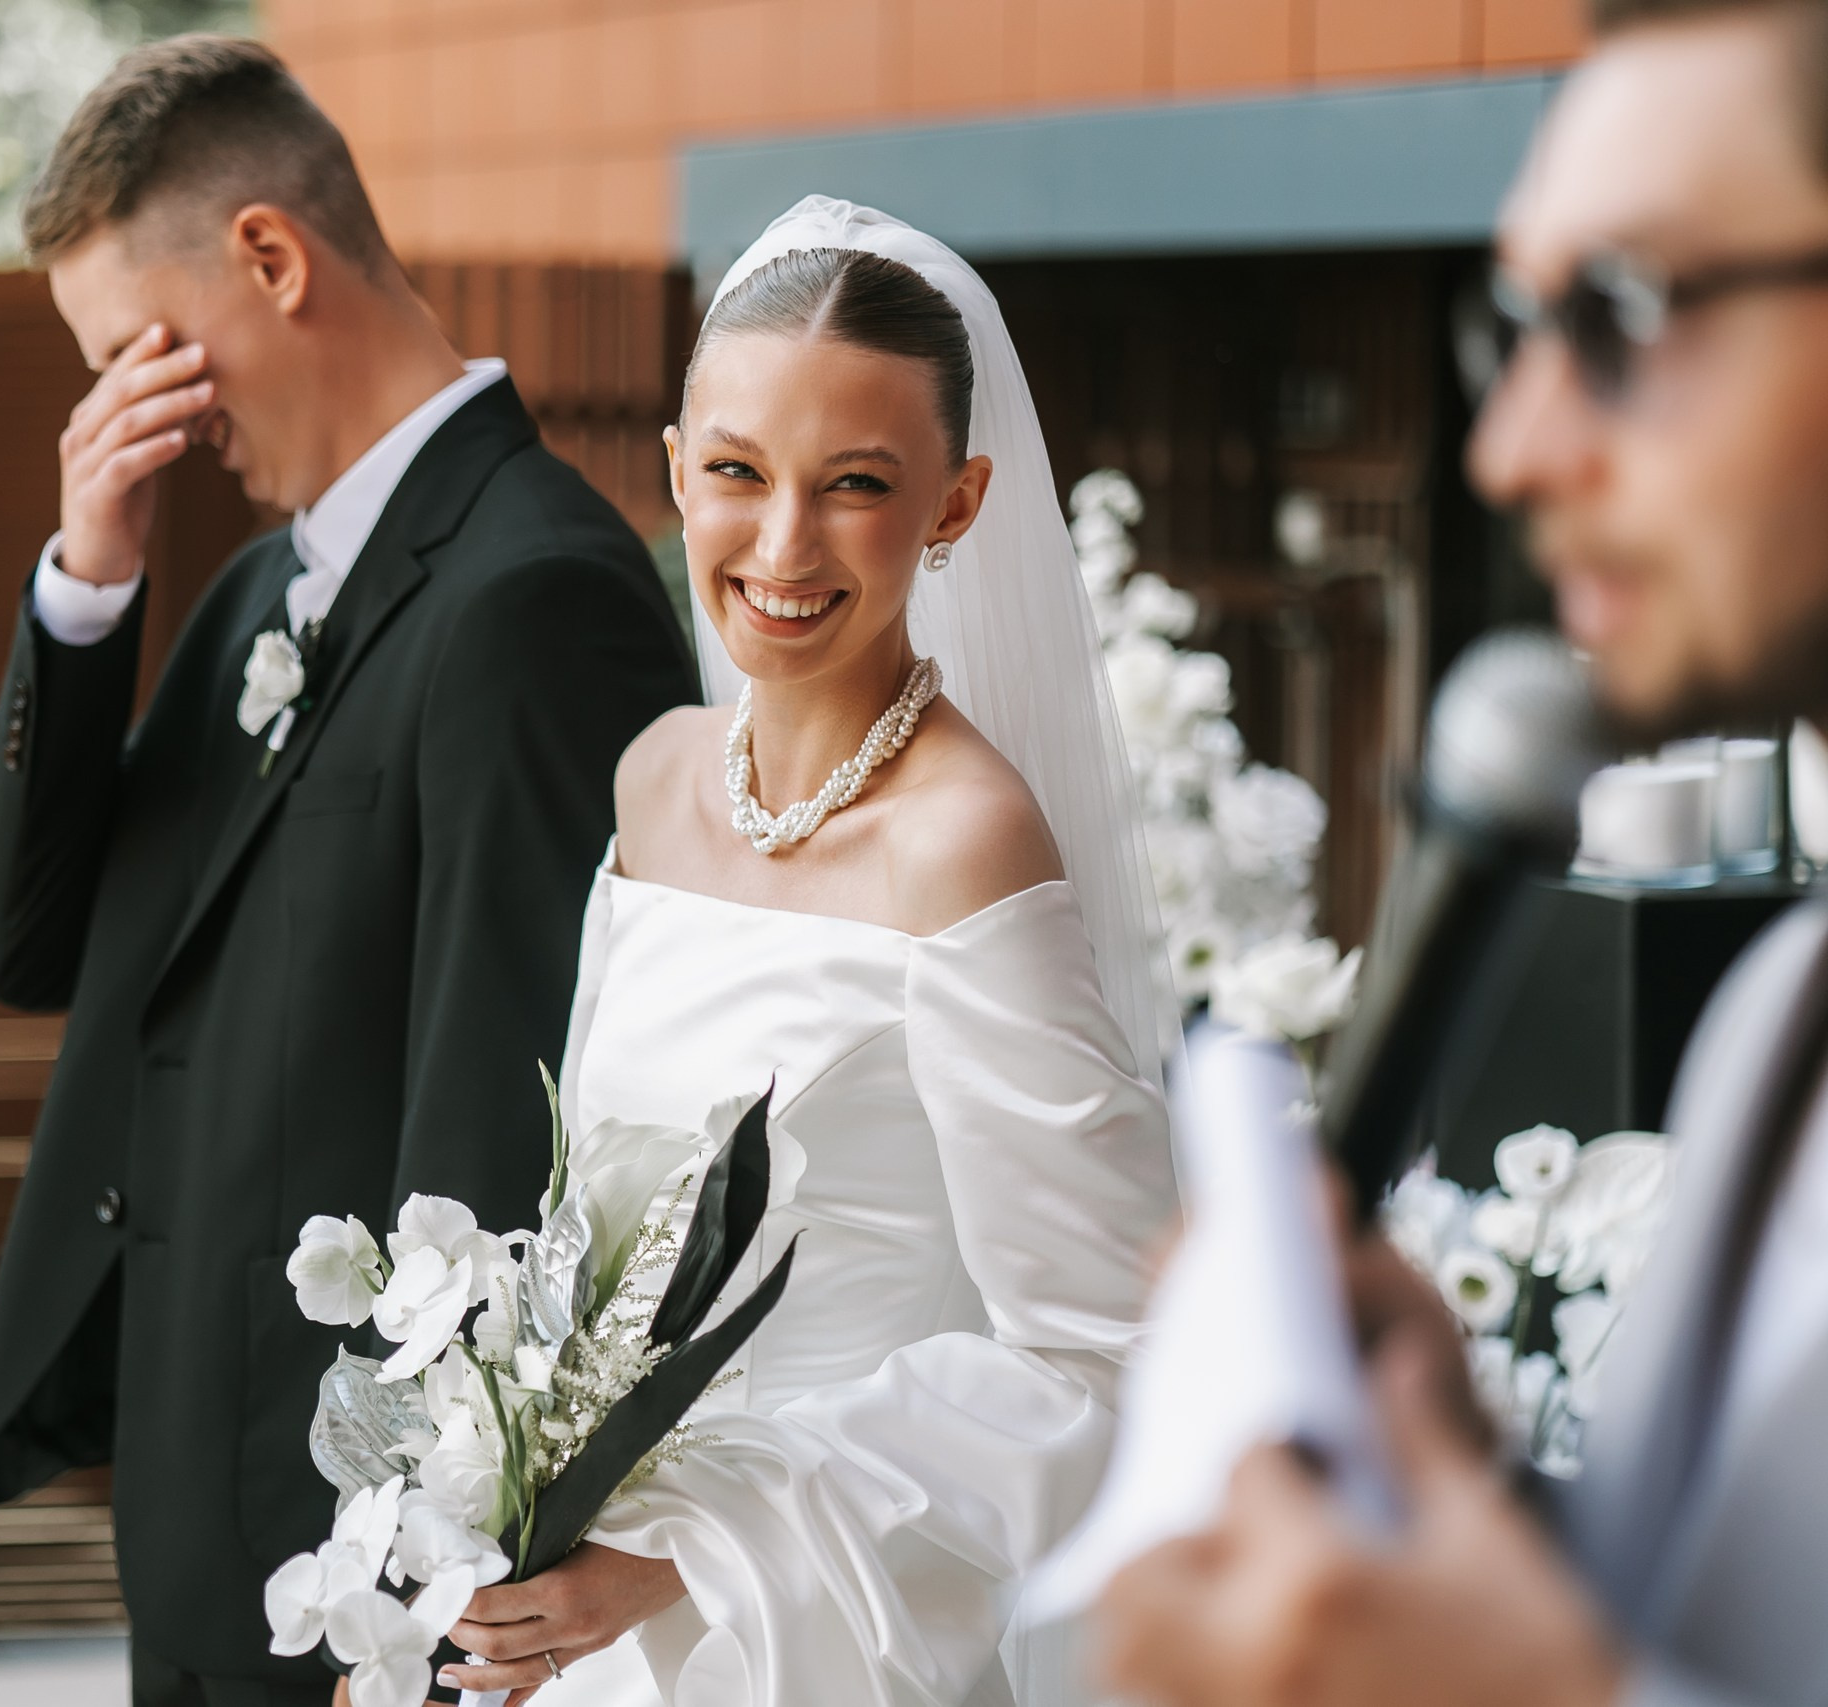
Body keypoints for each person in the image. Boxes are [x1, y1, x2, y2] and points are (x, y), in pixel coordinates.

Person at [0, 36, 695, 1707]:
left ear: (271, 258)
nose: (141, 413)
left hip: (344, 1589)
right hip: (203, 1544)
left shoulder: (536, 597)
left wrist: (419, 1603)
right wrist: (86, 577)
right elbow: (34, 942)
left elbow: (520, 1142)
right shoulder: (249, 600)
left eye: (140, 352)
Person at [1094, 3, 1828, 1705]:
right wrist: (1467, 1505)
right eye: (1516, 329)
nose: (1511, 450)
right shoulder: (1781, 1010)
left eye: (1624, 315)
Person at [431, 198, 1182, 1707]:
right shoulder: (654, 777)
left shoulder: (961, 844)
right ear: (672, 472)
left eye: (856, 484)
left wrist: (697, 1555)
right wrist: (447, 1601)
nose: (782, 544)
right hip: (569, 1621)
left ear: (956, 505)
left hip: (817, 1634)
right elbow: (591, 1240)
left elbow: (1099, 1355)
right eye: (736, 474)